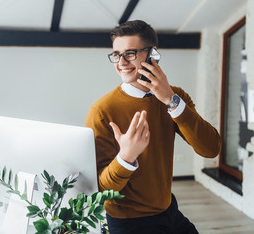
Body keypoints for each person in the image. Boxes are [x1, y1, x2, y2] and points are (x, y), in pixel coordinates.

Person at [85, 20, 221, 234]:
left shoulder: (176, 96)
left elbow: (211, 148)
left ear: (153, 54)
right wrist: (126, 157)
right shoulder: (102, 110)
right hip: (129, 222)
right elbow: (100, 190)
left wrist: (171, 100)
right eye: (116, 54)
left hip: (169, 209)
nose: (121, 62)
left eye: (130, 53)